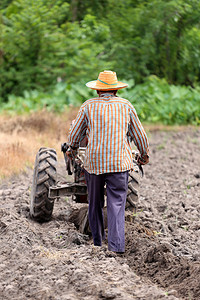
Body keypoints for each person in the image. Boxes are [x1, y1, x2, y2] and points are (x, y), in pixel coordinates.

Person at [67, 70, 149, 253]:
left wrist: (72, 150)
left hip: (94, 164)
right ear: (116, 90)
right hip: (120, 164)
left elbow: (74, 135)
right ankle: (116, 246)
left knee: (94, 203)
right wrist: (144, 155)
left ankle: (97, 243)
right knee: (117, 204)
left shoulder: (88, 106)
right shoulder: (126, 106)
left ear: (98, 90)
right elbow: (140, 135)